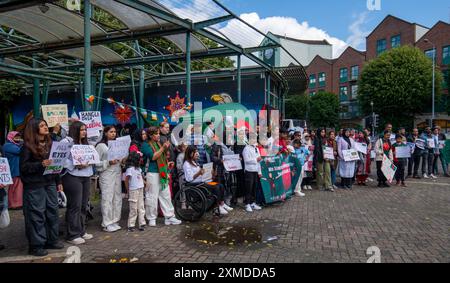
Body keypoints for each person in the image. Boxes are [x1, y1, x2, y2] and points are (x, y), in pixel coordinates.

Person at [20, 118, 64, 256]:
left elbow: (55, 164)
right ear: (34, 129)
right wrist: (41, 164)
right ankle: (36, 244)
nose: (46, 127)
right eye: (42, 126)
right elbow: (24, 167)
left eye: (46, 125)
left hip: (50, 182)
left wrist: (58, 182)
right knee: (36, 214)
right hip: (34, 185)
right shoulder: (27, 147)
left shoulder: (50, 144)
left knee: (52, 211)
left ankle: (52, 239)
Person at [61, 121, 94, 245]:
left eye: (85, 129)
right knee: (75, 205)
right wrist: (75, 165)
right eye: (81, 130)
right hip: (72, 176)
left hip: (86, 175)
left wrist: (91, 161)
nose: (84, 132)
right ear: (75, 130)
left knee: (83, 204)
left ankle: (81, 230)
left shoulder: (86, 143)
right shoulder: (66, 142)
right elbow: (60, 159)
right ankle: (72, 234)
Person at [142, 127, 181, 226]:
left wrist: (168, 165)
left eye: (159, 133)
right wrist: (163, 148)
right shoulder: (145, 145)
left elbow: (162, 158)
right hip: (152, 172)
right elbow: (153, 157)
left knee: (166, 195)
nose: (158, 135)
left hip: (162, 172)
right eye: (156, 134)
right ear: (150, 135)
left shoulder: (158, 143)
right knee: (152, 196)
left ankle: (169, 217)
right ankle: (151, 218)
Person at [183, 145, 231, 215]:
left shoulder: (195, 162)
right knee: (216, 187)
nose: (197, 154)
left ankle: (222, 203)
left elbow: (201, 174)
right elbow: (189, 178)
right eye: (195, 152)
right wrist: (199, 173)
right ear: (190, 154)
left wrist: (210, 174)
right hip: (195, 184)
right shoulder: (186, 164)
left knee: (220, 185)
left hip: (201, 182)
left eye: (197, 152)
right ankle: (217, 207)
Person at [96, 126, 124, 232]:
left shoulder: (117, 144)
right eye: (111, 132)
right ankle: (107, 222)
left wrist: (123, 159)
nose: (113, 134)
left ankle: (115, 220)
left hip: (117, 172)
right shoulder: (101, 146)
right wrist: (108, 162)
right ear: (105, 133)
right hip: (106, 173)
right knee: (107, 198)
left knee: (117, 197)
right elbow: (95, 163)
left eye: (115, 132)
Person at [124, 151, 146, 232]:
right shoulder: (129, 169)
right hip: (133, 190)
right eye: (139, 159)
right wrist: (128, 190)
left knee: (141, 206)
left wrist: (145, 183)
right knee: (133, 207)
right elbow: (126, 180)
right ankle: (131, 224)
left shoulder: (138, 169)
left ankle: (141, 223)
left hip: (140, 188)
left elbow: (140, 178)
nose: (141, 160)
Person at [242, 132, 263, 212]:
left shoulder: (256, 148)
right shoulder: (246, 148)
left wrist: (259, 172)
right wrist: (255, 160)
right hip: (249, 171)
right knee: (249, 188)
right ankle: (247, 204)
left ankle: (252, 203)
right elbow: (246, 160)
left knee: (254, 187)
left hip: (255, 170)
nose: (254, 140)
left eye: (255, 138)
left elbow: (259, 161)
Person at [3, 131, 23, 209]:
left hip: (18, 169)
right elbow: (20, 151)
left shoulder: (15, 145)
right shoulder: (8, 145)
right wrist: (23, 144)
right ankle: (13, 204)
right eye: (16, 137)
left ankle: (17, 203)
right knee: (14, 187)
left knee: (18, 187)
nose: (18, 139)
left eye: (18, 137)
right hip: (13, 169)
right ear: (10, 137)